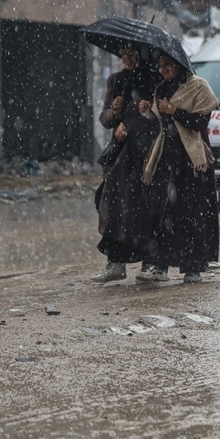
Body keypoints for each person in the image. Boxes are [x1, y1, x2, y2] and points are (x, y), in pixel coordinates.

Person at [140, 54, 220, 283]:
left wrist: (174, 110)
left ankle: (192, 266)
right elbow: (159, 124)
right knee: (163, 210)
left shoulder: (198, 86)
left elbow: (201, 123)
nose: (163, 68)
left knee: (192, 212)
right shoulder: (161, 88)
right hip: (166, 160)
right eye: (160, 64)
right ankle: (161, 265)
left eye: (168, 64)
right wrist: (149, 110)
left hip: (191, 163)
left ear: (179, 64)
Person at [92, 46, 160, 282]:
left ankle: (151, 263)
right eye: (123, 53)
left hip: (147, 155)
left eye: (132, 52)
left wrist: (146, 114)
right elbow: (105, 118)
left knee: (147, 209)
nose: (127, 57)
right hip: (120, 157)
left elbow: (162, 118)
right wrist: (114, 112)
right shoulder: (116, 80)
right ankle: (116, 263)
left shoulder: (154, 78)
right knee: (114, 208)